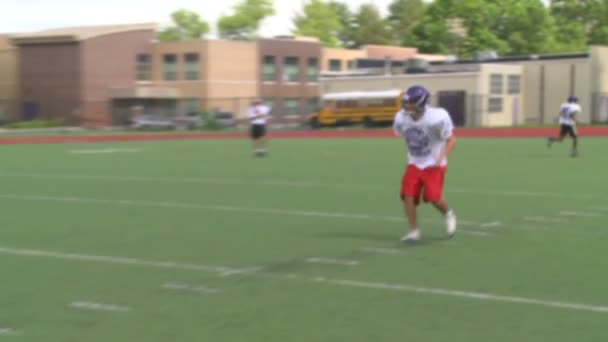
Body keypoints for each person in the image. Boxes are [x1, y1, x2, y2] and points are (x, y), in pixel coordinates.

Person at [392, 85, 457, 242]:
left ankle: (448, 213)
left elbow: (452, 139)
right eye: (406, 102)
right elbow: (403, 134)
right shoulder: (401, 117)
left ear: (421, 103)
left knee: (433, 198)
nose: (407, 106)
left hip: (434, 163)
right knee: (408, 195)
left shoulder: (437, 117)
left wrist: (441, 156)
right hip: (415, 162)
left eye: (411, 102)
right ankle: (414, 231)